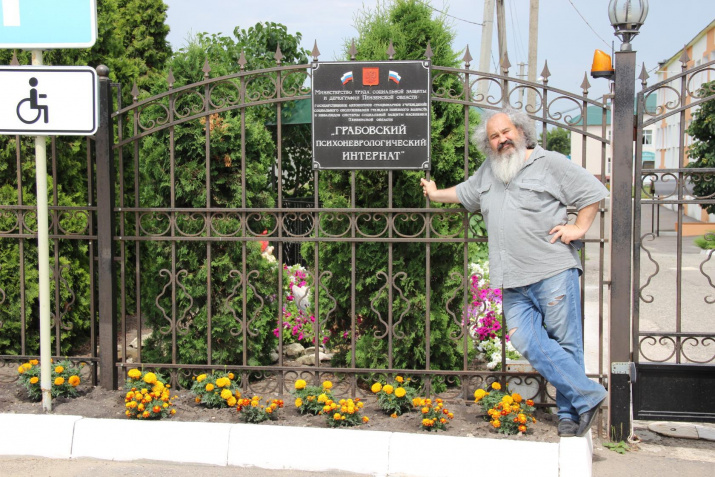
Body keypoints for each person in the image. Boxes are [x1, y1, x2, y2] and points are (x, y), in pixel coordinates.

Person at [420, 108, 608, 438]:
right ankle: (589, 395)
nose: (502, 139)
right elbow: (465, 192)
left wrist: (578, 227)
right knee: (525, 339)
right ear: (488, 143)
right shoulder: (489, 171)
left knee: (565, 345)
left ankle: (569, 414)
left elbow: (592, 191)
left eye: (506, 132)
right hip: (512, 279)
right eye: (494, 136)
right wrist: (435, 194)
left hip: (552, 270)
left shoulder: (549, 163)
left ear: (521, 131)